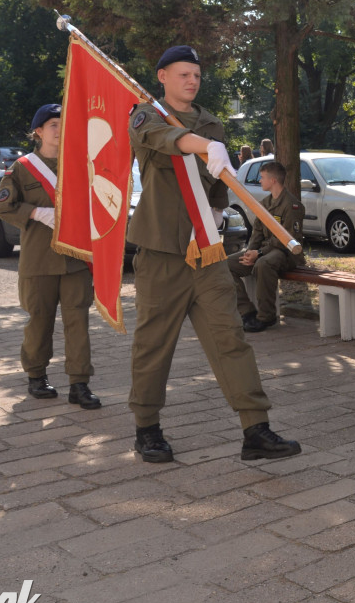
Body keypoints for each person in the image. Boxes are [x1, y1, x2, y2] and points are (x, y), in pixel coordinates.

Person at [127, 45, 301, 464]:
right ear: (163, 76)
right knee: (154, 343)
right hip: (161, 250)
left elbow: (216, 181)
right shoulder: (144, 115)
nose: (191, 81)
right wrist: (202, 144)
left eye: (197, 75)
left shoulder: (211, 123)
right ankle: (147, 429)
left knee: (230, 338)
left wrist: (219, 209)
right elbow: (165, 140)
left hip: (205, 249)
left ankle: (254, 428)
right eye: (182, 74)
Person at [0, 104, 100, 410]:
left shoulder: (80, 164)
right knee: (39, 321)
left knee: (78, 322)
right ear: (38, 131)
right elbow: (2, 207)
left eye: (63, 123)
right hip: (39, 260)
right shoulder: (22, 167)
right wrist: (37, 213)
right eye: (53, 124)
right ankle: (37, 376)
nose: (59, 129)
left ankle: (80, 384)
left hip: (75, 259)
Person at [226, 161, 305, 332]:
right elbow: (257, 232)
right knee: (225, 265)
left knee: (263, 264)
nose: (260, 181)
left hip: (286, 254)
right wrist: (249, 252)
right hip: (264, 251)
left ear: (273, 180)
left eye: (262, 177)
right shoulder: (264, 203)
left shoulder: (292, 206)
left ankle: (266, 317)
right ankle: (246, 312)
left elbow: (288, 240)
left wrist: (259, 252)